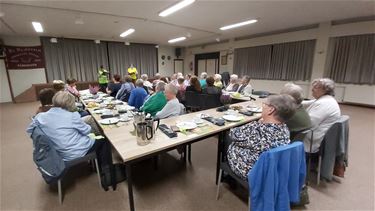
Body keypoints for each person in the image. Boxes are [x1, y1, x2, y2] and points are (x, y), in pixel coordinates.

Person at [26, 91, 112, 171]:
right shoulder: (72, 115)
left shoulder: (40, 116)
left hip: (58, 152)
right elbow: (87, 131)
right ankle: (105, 170)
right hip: (74, 152)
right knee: (103, 141)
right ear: (70, 103)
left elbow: (30, 130)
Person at [227, 94, 297, 179]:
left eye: (264, 104)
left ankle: (227, 178)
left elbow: (233, 133)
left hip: (253, 172)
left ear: (271, 110)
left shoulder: (257, 129)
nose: (262, 106)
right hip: (272, 170)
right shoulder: (285, 128)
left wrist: (255, 124)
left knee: (229, 141)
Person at [303, 78, 341, 153]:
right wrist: (289, 101)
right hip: (317, 136)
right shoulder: (325, 100)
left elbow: (308, 124)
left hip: (312, 141)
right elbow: (304, 103)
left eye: (315, 87)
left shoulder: (324, 103)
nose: (312, 89)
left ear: (325, 90)